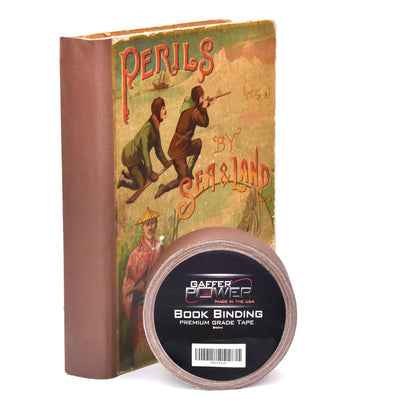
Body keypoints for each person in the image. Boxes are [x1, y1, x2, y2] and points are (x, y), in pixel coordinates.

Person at [154, 86, 216, 198]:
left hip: (183, 145)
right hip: (178, 149)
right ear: (197, 99)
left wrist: (206, 104)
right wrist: (205, 108)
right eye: (202, 97)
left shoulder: (190, 108)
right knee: (183, 179)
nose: (203, 99)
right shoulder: (193, 112)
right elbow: (204, 122)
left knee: (198, 143)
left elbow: (198, 111)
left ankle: (189, 171)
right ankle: (164, 187)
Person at [121, 207, 163, 365]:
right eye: (147, 224)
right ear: (142, 228)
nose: (151, 227)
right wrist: (137, 286)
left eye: (153, 223)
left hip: (158, 304)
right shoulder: (135, 254)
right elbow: (128, 282)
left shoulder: (160, 248)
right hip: (140, 307)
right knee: (141, 343)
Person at [118, 97, 172, 190]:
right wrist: (150, 172)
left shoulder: (155, 128)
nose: (165, 111)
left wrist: (165, 162)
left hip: (137, 157)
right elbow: (145, 152)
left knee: (146, 179)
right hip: (130, 157)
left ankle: (129, 174)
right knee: (141, 184)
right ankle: (123, 179)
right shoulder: (148, 128)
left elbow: (158, 149)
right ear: (157, 111)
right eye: (163, 108)